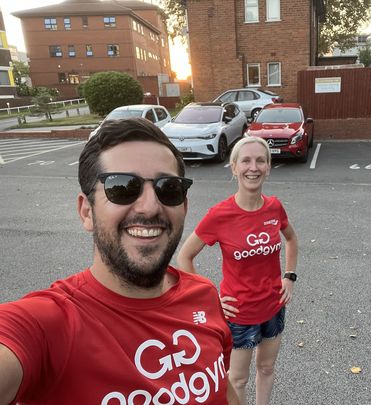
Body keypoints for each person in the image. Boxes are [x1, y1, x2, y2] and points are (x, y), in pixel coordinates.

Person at [0, 118, 239, 405]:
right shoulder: (48, 325)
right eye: (123, 187)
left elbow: (222, 387)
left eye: (169, 188)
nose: (150, 207)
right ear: (86, 212)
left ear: (184, 206)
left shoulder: (204, 294)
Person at [177, 136, 298, 405]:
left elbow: (291, 239)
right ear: (234, 168)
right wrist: (209, 300)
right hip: (239, 314)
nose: (252, 167)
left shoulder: (274, 207)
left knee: (266, 368)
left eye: (260, 161)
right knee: (238, 379)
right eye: (245, 160)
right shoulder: (220, 215)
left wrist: (289, 276)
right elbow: (184, 256)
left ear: (268, 167)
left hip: (274, 307)